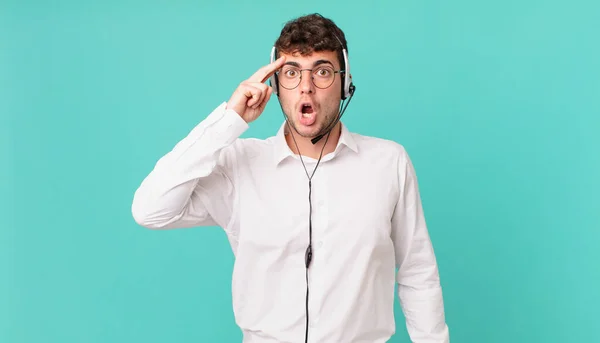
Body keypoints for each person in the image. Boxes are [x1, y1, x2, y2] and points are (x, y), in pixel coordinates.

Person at [131, 13, 450, 343]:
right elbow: (150, 209)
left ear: (345, 83)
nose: (306, 86)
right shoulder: (239, 164)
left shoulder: (389, 162)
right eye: (291, 73)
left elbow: (417, 273)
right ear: (275, 86)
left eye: (322, 71)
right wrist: (229, 120)